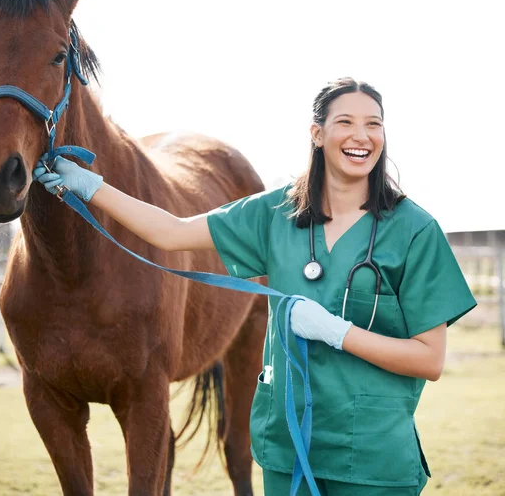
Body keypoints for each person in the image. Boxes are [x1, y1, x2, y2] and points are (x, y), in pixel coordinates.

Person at [33, 77, 476, 495]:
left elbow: (430, 359)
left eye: (373, 124)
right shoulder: (274, 213)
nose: (361, 136)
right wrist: (90, 187)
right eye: (345, 122)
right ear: (317, 134)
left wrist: (338, 333)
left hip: (373, 461)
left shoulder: (416, 232)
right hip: (287, 454)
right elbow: (171, 231)